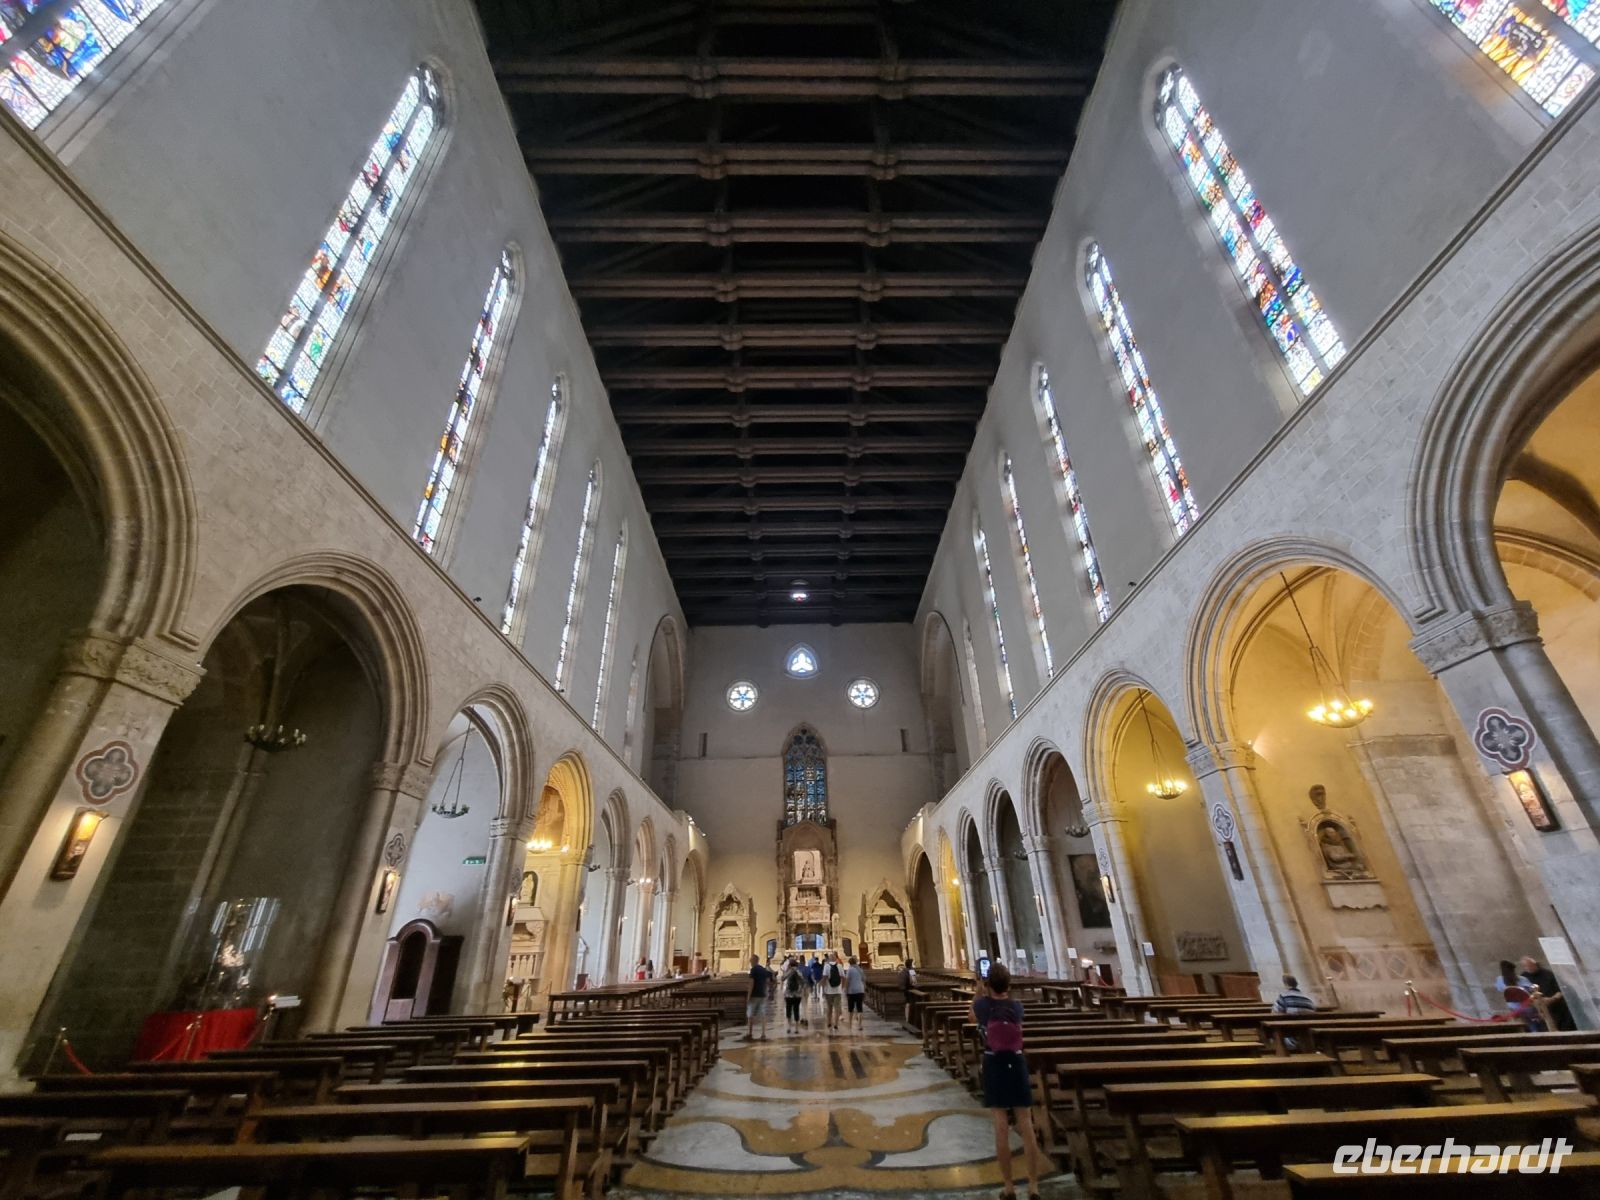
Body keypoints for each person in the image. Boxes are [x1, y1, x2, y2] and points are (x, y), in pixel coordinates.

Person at [972, 963, 1043, 1200]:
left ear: (988, 984)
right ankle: (1033, 1185)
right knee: (1026, 1123)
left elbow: (972, 1015)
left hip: (994, 1063)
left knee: (1000, 1125)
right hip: (1017, 1062)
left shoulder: (982, 1006)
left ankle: (1009, 1186)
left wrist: (978, 991)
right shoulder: (1016, 1006)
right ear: (1009, 984)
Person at [1520, 956, 1577, 1031]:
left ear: (1535, 964)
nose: (1528, 968)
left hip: (1556, 1007)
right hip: (1538, 1009)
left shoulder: (1548, 974)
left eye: (1530, 965)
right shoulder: (1523, 977)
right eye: (1526, 966)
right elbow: (1523, 995)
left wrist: (1552, 999)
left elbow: (1562, 989)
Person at [746, 954, 774, 1041]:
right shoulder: (763, 969)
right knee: (763, 1015)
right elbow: (768, 981)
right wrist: (770, 991)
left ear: (754, 961)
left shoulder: (753, 970)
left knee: (750, 1015)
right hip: (762, 994)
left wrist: (748, 996)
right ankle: (763, 1034)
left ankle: (750, 1033)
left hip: (754, 995)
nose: (750, 962)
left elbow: (751, 983)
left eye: (751, 960)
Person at [822, 954, 846, 1032]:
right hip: (837, 991)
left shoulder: (826, 966)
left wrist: (823, 989)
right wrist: (842, 987)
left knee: (829, 1008)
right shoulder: (839, 966)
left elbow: (824, 978)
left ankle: (829, 1023)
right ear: (836, 958)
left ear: (829, 959)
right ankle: (836, 1024)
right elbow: (843, 978)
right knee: (837, 1009)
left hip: (829, 991)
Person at [782, 956, 806, 1033]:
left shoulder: (788, 971)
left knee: (788, 1010)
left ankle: (789, 1027)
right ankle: (796, 1028)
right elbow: (803, 982)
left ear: (790, 965)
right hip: (797, 994)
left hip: (788, 994)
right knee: (796, 1010)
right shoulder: (799, 971)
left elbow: (783, 978)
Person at [845, 955, 868, 1032]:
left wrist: (846, 990)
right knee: (859, 1008)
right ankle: (860, 1025)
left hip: (852, 991)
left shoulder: (850, 970)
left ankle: (850, 1025)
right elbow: (864, 980)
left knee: (850, 1009)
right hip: (860, 990)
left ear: (850, 963)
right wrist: (864, 990)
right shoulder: (860, 970)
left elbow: (847, 981)